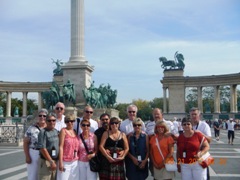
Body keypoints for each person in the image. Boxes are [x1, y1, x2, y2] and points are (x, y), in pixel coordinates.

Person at [23, 109, 48, 180]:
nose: (42, 117)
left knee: (45, 176)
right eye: (40, 115)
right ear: (37, 117)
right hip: (34, 153)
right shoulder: (31, 128)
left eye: (44, 116)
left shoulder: (49, 128)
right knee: (33, 175)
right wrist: (27, 156)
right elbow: (25, 143)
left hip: (46, 154)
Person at [190, 107, 212, 180]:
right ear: (190, 115)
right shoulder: (187, 125)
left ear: (199, 115)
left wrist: (201, 134)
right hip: (190, 154)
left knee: (205, 175)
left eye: (195, 114)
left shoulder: (204, 125)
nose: (193, 116)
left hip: (202, 154)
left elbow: (209, 140)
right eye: (192, 114)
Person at [37, 112, 59, 180]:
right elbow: (42, 148)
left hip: (55, 161)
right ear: (46, 121)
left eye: (53, 120)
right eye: (49, 120)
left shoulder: (56, 131)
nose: (51, 122)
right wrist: (51, 161)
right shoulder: (43, 132)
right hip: (46, 162)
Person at [57, 114, 80, 180]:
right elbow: (60, 146)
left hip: (75, 161)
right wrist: (61, 162)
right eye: (67, 121)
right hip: (65, 161)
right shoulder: (63, 131)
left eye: (71, 121)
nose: (70, 123)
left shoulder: (75, 132)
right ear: (65, 122)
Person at [94, 113, 111, 178]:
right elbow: (96, 145)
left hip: (113, 158)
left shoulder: (114, 130)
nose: (105, 121)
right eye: (103, 120)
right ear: (100, 121)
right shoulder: (97, 132)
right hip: (102, 159)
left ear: (109, 120)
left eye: (106, 119)